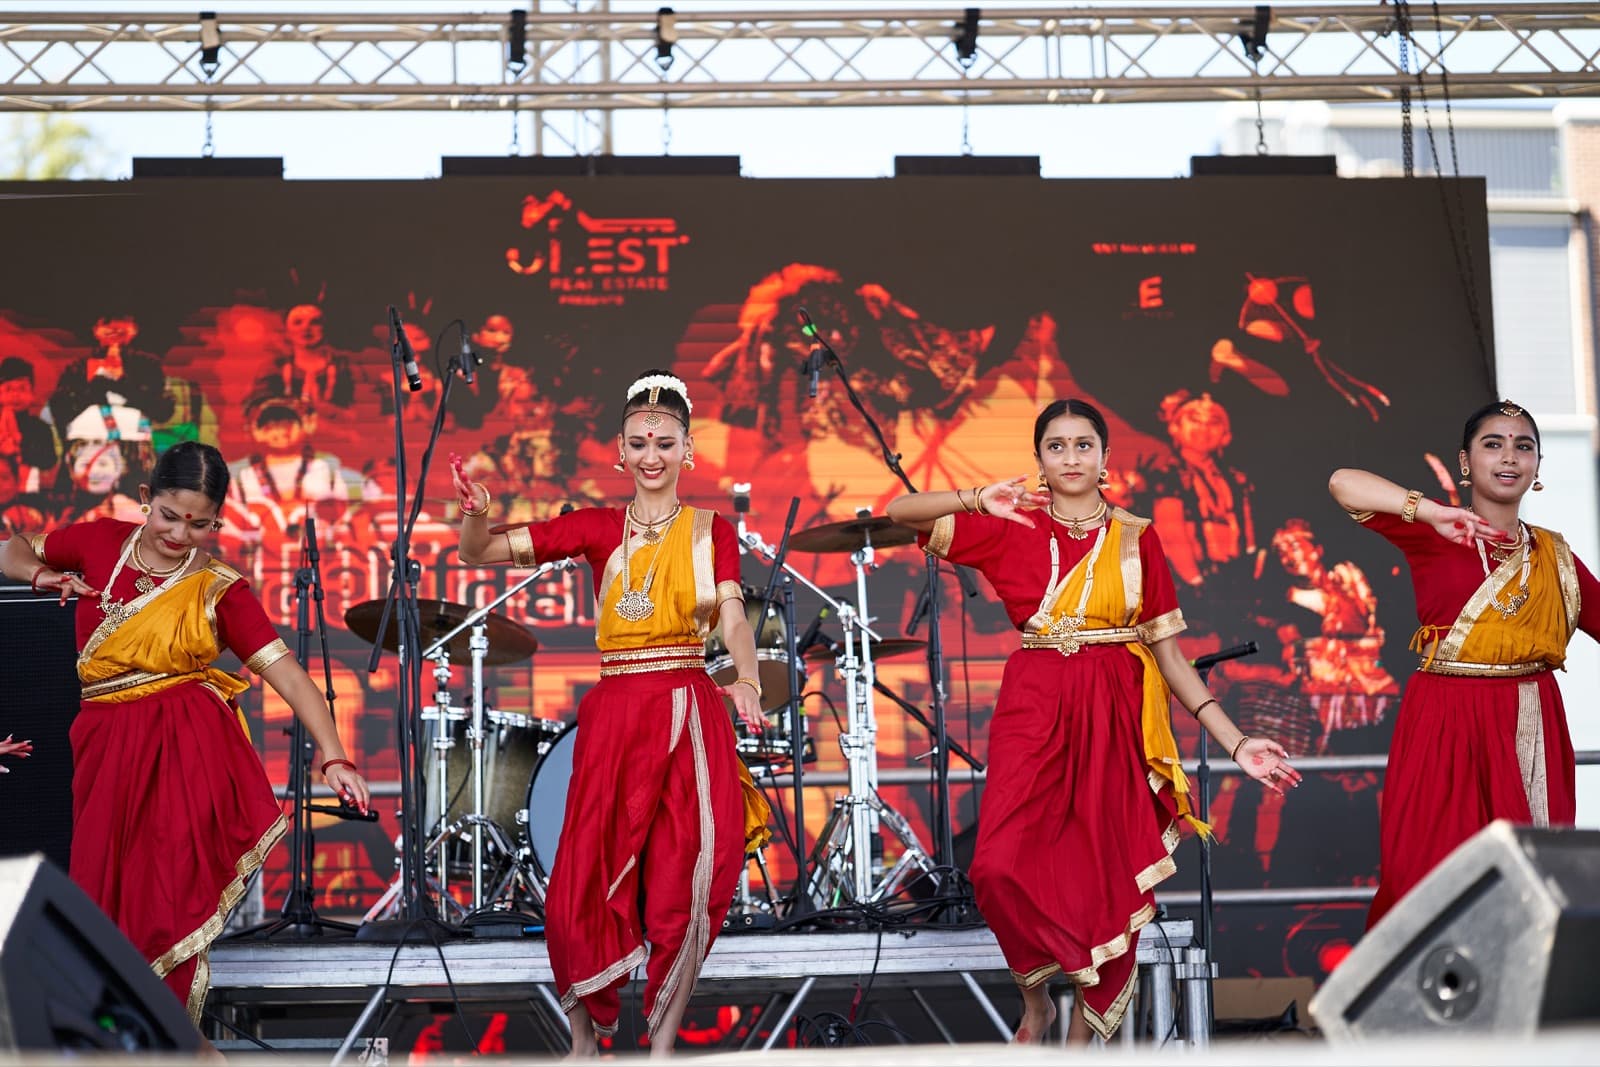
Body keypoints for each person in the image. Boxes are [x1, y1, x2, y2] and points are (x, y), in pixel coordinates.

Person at [886, 397, 1299, 1045]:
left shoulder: (1137, 536)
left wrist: (1237, 739)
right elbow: (896, 512)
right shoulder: (1010, 523)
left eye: (1084, 444)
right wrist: (972, 498)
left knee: (1099, 870)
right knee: (996, 866)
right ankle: (1037, 999)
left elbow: (1169, 653)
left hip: (1114, 711)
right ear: (1040, 460)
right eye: (1057, 445)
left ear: (1106, 458)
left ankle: (1082, 1032)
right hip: (1034, 700)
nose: (1071, 456)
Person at [451, 369, 770, 1058]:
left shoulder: (713, 529)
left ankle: (660, 1046)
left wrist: (745, 677)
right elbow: (477, 551)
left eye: (665, 440)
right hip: (616, 713)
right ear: (619, 453)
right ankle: (583, 1041)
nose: (651, 454)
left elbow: (736, 615)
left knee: (687, 878)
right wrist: (477, 513)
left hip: (687, 705)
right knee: (580, 886)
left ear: (690, 450)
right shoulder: (595, 527)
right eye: (638, 441)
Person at [0, 440, 371, 1023]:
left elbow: (288, 676)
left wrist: (335, 756)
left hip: (183, 747)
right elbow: (10, 549)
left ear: (217, 521)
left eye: (199, 524)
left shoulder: (220, 588)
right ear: (146, 499)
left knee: (165, 886)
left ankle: (163, 1034)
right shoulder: (98, 540)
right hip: (100, 741)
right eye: (170, 516)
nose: (178, 534)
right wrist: (42, 574)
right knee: (99, 890)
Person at [1328, 399, 1600, 927]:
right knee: (1425, 874)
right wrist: (1434, 511)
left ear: (1538, 468)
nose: (1509, 457)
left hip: (1529, 723)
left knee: (1529, 881)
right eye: (1492, 444)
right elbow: (1343, 482)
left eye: (1524, 447)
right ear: (1465, 462)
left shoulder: (1556, 558)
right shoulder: (1434, 532)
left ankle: (1526, 1004)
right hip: (1443, 719)